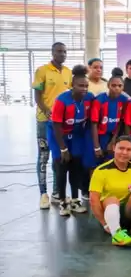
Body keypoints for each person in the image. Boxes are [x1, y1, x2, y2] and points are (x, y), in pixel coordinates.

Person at [48, 66, 94, 216]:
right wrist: (62, 148)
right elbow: (56, 124)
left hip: (76, 135)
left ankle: (75, 200)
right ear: (72, 85)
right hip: (58, 136)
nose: (84, 89)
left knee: (76, 166)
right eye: (81, 85)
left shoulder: (89, 98)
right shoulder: (62, 100)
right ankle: (62, 201)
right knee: (61, 167)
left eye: (86, 86)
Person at [88, 136, 131, 246]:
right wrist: (104, 224)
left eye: (129, 149)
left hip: (128, 213)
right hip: (108, 214)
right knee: (112, 199)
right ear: (114, 148)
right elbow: (93, 200)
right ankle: (116, 233)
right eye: (121, 148)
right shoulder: (101, 171)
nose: (124, 152)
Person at [33, 42, 71, 209]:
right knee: (43, 156)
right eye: (59, 51)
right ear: (52, 52)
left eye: (64, 51)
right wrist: (48, 111)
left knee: (58, 157)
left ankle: (57, 193)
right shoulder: (42, 71)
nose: (62, 54)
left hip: (61, 124)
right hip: (44, 121)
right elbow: (38, 96)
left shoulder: (68, 72)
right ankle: (43, 194)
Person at [88, 68, 129, 167]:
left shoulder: (125, 100)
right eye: (113, 85)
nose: (117, 88)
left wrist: (113, 140)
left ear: (123, 87)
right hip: (98, 136)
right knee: (95, 163)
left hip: (113, 135)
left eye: (120, 86)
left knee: (110, 163)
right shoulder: (99, 100)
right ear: (108, 85)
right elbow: (93, 124)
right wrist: (96, 146)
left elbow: (120, 121)